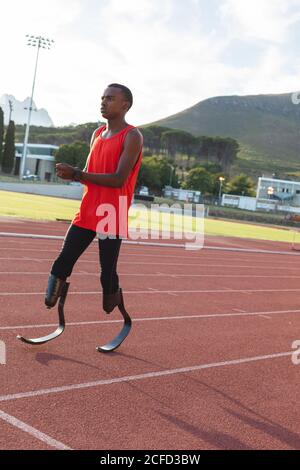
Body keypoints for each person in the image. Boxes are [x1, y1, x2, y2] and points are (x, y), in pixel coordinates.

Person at [45, 83, 143, 314]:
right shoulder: (97, 134)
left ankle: (114, 296)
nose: (103, 102)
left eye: (110, 98)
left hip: (112, 213)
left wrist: (78, 173)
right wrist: (73, 174)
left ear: (125, 105)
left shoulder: (132, 136)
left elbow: (119, 179)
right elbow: (90, 173)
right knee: (63, 260)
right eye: (102, 97)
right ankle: (52, 300)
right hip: (88, 210)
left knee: (106, 272)